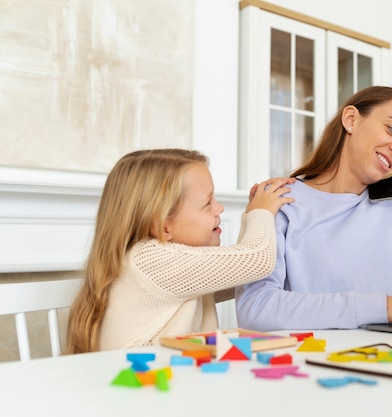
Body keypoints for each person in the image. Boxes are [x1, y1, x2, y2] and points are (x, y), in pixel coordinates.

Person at [235, 86, 392, 331]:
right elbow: (255, 306)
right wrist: (381, 307)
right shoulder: (280, 201)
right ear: (351, 119)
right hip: (319, 360)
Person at [64, 148, 294, 353]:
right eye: (208, 203)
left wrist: (252, 215)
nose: (219, 208)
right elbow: (255, 262)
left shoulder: (177, 263)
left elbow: (245, 278)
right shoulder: (150, 260)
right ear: (164, 226)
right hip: (137, 387)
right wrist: (260, 213)